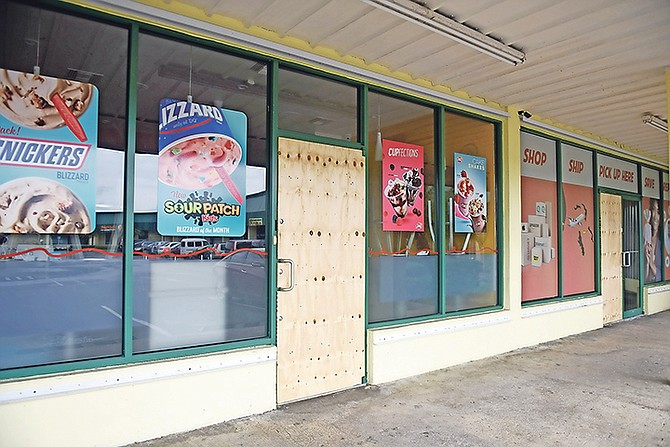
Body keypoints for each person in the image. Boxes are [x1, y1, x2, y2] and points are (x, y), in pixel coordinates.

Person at [644, 198, 661, 283]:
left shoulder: (664, 244)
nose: (655, 216)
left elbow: (663, 276)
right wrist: (647, 263)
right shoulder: (645, 239)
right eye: (653, 210)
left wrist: (651, 262)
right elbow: (643, 279)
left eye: (658, 212)